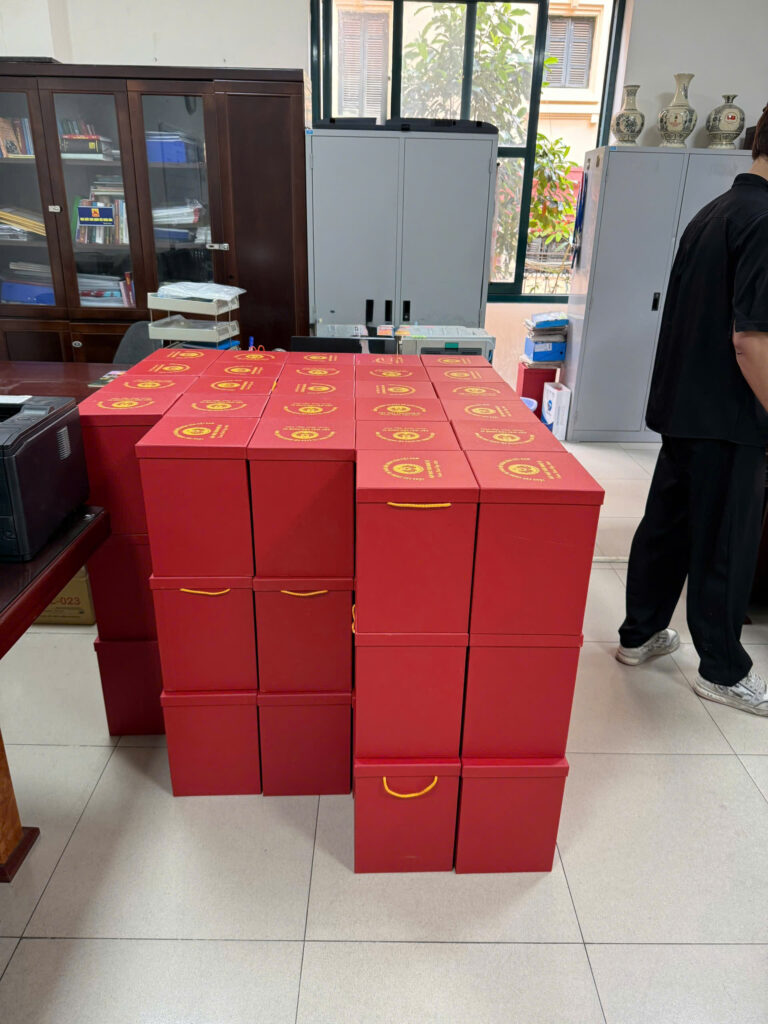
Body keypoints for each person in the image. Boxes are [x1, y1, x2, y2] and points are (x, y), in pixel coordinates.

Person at [615, 104, 768, 717]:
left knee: (667, 527)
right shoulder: (764, 220)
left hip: (683, 406)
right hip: (729, 417)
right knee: (725, 544)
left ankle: (639, 634)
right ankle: (722, 670)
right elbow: (750, 340)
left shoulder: (715, 211)